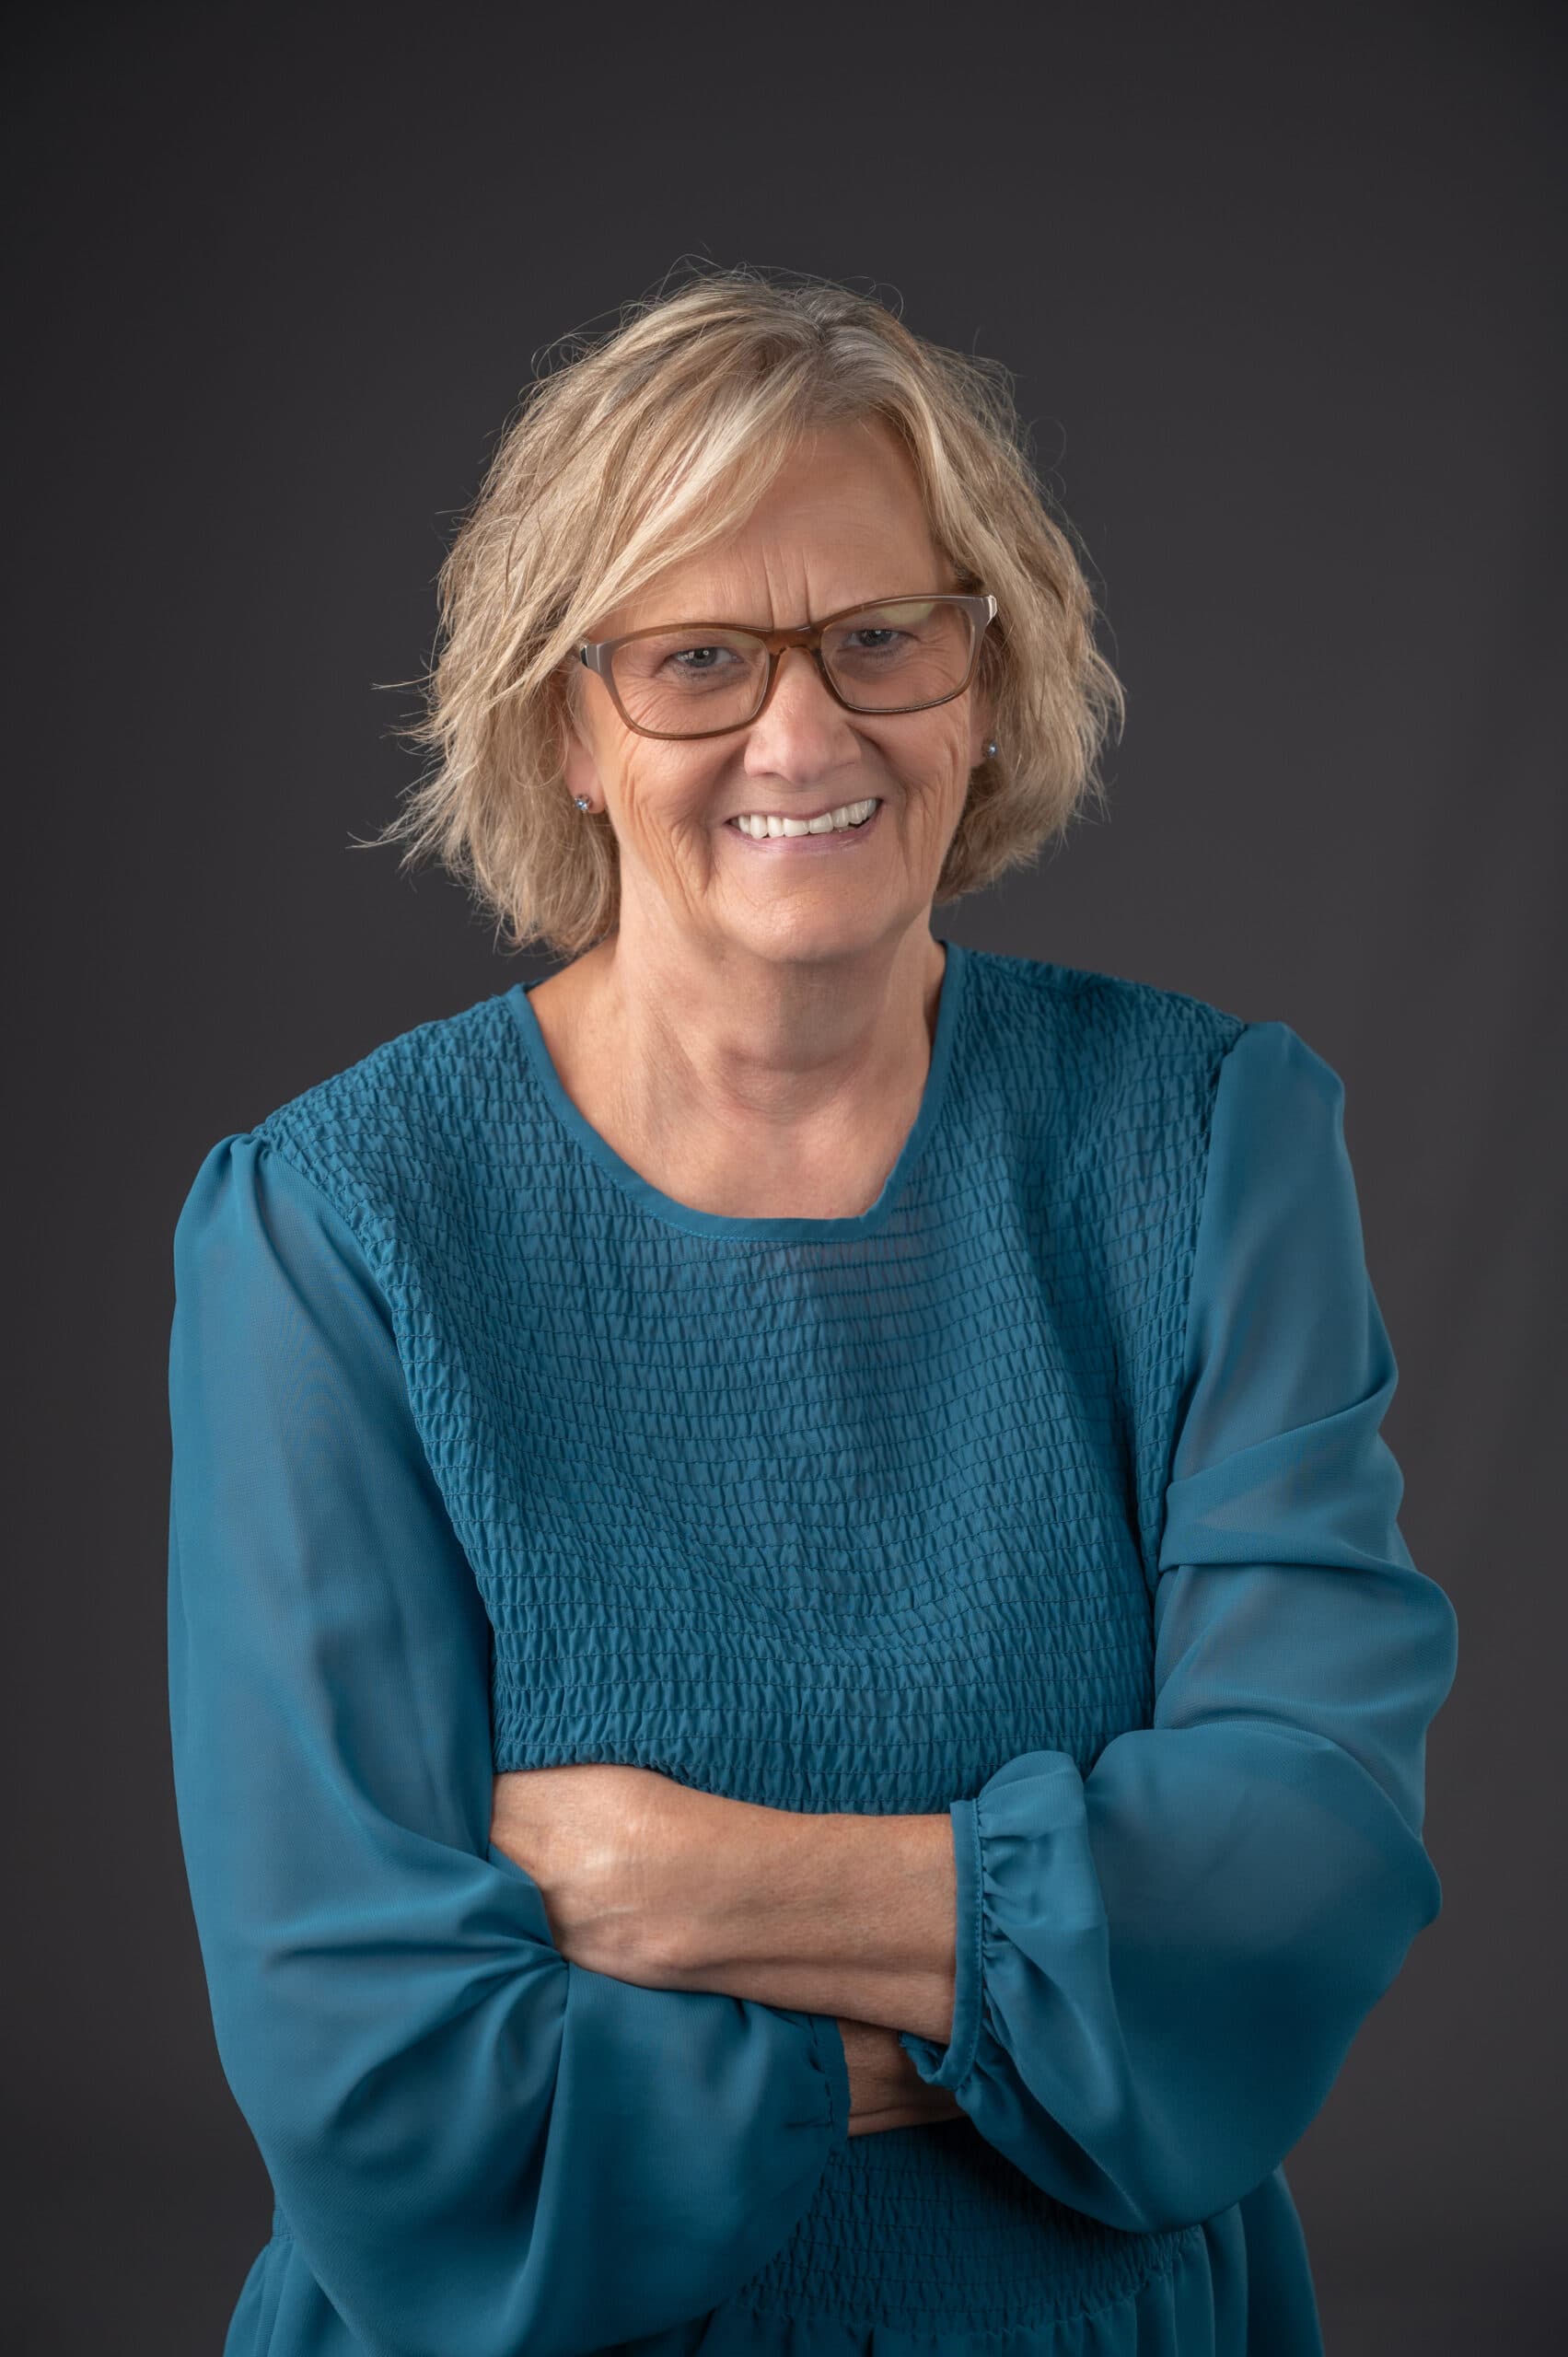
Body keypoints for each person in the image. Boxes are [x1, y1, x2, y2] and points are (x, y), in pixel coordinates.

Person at [166, 264, 1458, 2357]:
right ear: (566, 724)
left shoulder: (1213, 1140)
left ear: (986, 668)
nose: (803, 730)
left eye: (883, 636)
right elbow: (381, 2082)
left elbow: (1298, 1864)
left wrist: (696, 1886)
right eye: (696, 659)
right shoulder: (336, 1224)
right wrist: (1040, 1994)